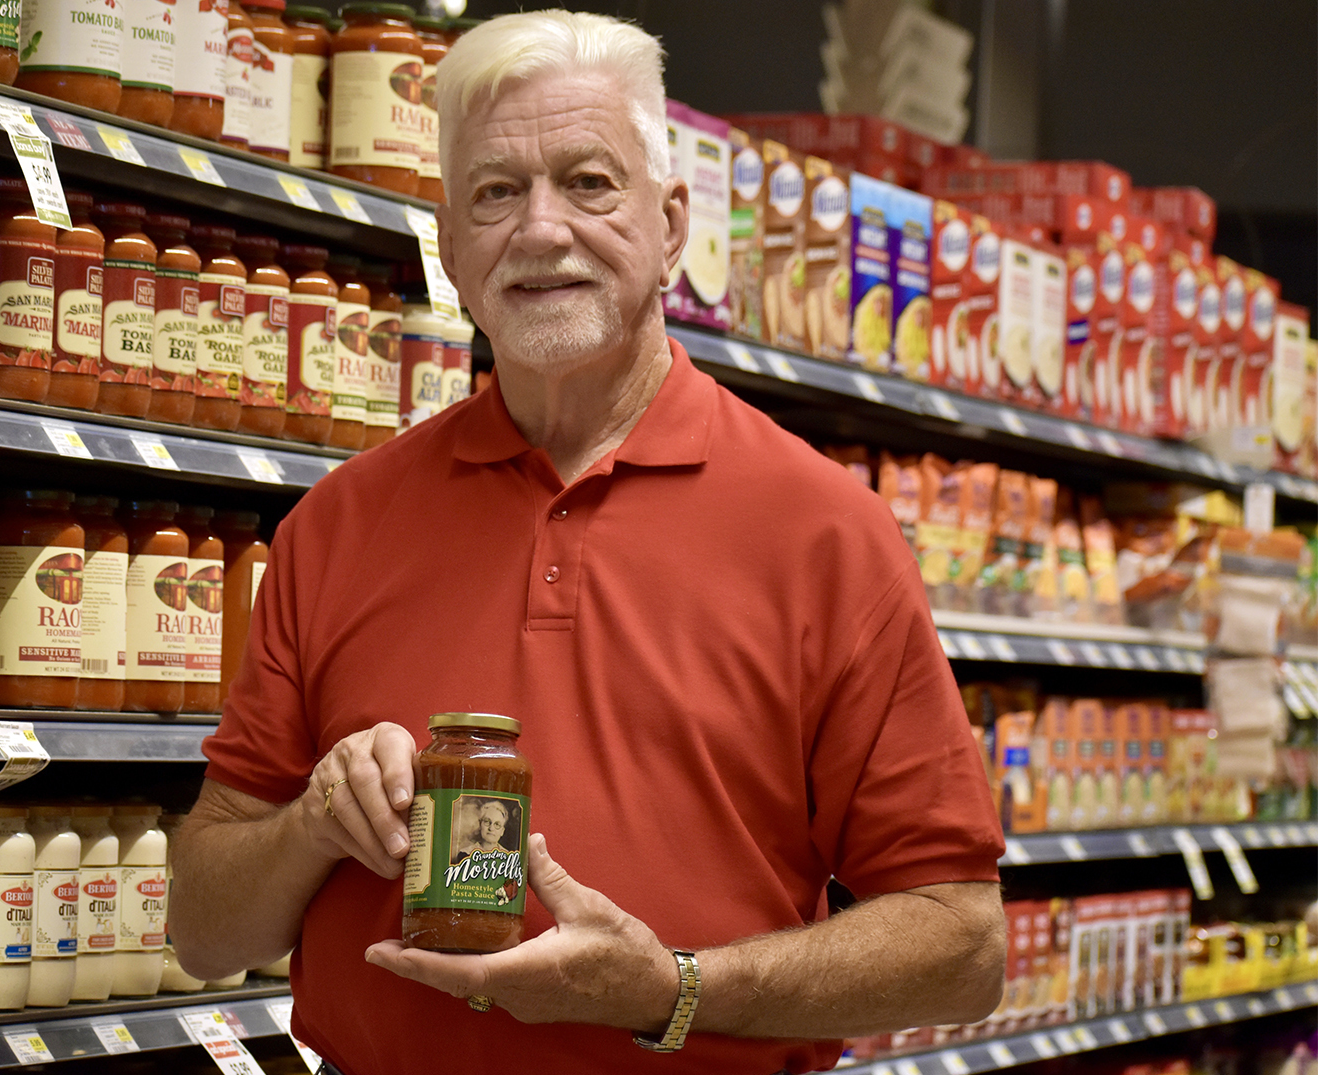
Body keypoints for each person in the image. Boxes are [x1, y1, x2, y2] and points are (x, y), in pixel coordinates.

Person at [171, 10, 1007, 1074]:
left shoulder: (825, 532)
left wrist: (674, 988)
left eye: (588, 182)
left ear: (671, 226)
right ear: (450, 247)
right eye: (495, 192)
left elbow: (960, 944)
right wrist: (313, 826)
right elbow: (204, 930)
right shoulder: (337, 523)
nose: (540, 229)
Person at [452, 798, 513, 863]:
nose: (491, 828)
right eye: (487, 821)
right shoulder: (465, 855)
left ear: (502, 831)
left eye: (497, 824)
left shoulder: (509, 857)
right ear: (480, 824)